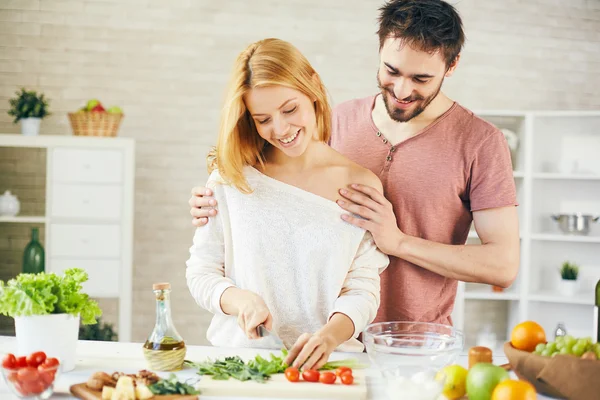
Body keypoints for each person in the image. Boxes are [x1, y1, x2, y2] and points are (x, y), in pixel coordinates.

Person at [189, 0, 519, 328]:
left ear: (452, 65)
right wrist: (218, 200)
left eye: (421, 78)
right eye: (391, 71)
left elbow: (502, 265)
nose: (402, 90)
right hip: (333, 345)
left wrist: (400, 242)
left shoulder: (480, 143)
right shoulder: (337, 121)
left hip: (415, 340)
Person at [185, 38, 389, 371]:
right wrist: (241, 302)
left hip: (328, 368)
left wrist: (329, 337)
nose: (280, 129)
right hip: (243, 364)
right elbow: (201, 272)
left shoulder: (359, 185)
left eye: (289, 109)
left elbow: (363, 290)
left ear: (313, 86)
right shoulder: (232, 177)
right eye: (263, 119)